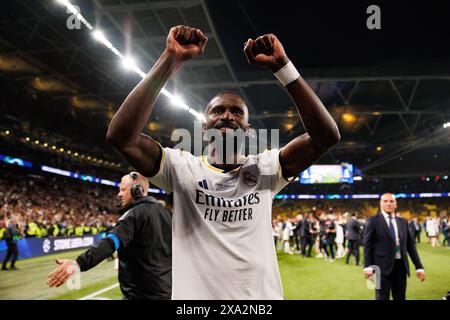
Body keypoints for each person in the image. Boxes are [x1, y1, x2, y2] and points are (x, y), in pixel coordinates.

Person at [106, 25, 340, 299]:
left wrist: (283, 67)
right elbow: (121, 137)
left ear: (248, 129)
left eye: (236, 112)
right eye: (217, 110)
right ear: (204, 129)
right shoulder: (181, 168)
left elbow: (326, 136)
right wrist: (170, 60)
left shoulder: (266, 168)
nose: (227, 116)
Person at [47, 172, 172, 300]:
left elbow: (111, 242)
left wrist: (79, 263)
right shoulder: (167, 214)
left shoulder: (134, 214)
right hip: (166, 292)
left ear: (137, 191)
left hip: (141, 295)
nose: (119, 194)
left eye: (123, 190)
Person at [363, 193, 425, 300]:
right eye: (385, 201)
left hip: (401, 267)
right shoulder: (373, 221)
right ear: (380, 203)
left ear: (396, 204)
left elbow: (410, 246)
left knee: (400, 297)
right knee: (381, 298)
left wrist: (419, 267)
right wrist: (368, 266)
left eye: (391, 201)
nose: (389, 204)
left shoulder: (403, 222)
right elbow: (367, 245)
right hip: (380, 268)